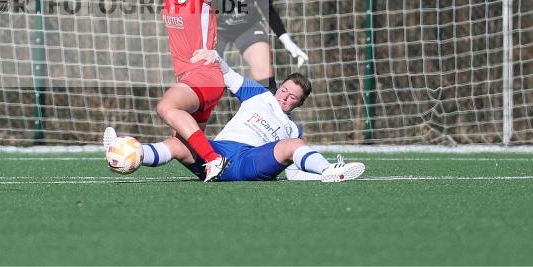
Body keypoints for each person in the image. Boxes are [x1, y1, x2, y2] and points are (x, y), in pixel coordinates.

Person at [104, 48, 365, 183]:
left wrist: (317, 174)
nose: (284, 97)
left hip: (249, 161)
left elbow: (294, 173)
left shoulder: (293, 131)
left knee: (294, 146)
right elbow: (228, 75)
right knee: (177, 143)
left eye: (292, 97)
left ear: (299, 104)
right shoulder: (258, 94)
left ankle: (330, 170)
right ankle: (129, 153)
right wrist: (215, 56)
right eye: (284, 90)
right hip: (216, 157)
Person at [116, 0, 243, 182]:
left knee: (166, 108)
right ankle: (220, 170)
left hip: (204, 74)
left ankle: (214, 159)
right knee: (182, 144)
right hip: (191, 78)